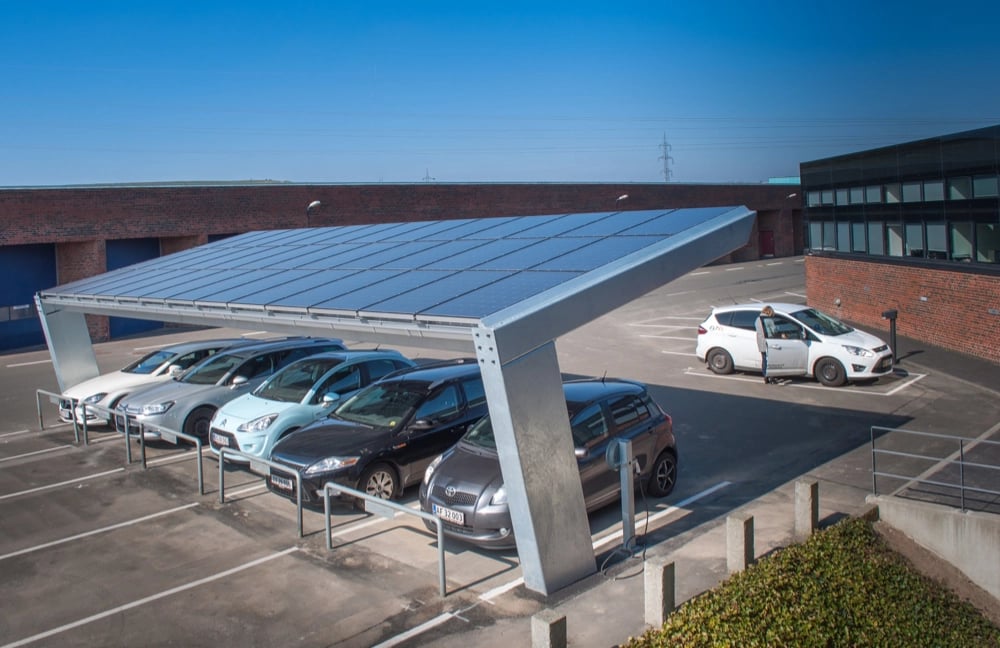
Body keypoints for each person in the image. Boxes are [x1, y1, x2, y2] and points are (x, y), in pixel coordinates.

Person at [755, 305, 775, 384]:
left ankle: (765, 376)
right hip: (768, 342)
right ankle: (771, 376)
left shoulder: (757, 319)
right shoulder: (768, 320)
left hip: (760, 342)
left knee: (764, 359)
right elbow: (773, 331)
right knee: (771, 360)